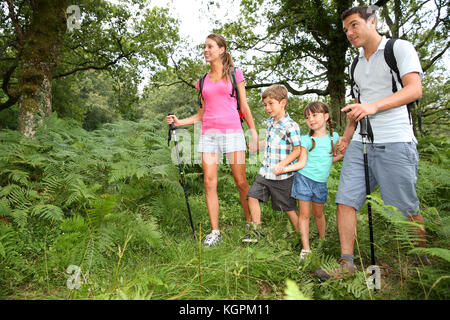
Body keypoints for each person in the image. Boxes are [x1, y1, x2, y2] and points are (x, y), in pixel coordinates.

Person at [315, 6, 427, 280]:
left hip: (396, 142)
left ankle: (422, 264)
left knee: (404, 208)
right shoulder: (355, 64)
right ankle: (347, 264)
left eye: (354, 25)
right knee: (345, 201)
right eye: (346, 30)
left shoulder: (398, 49)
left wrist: (374, 106)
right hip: (361, 145)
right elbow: (357, 107)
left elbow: (414, 90)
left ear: (372, 22)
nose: (350, 33)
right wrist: (345, 137)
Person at [166, 34, 259, 247]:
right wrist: (179, 122)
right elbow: (201, 114)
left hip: (233, 132)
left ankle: (250, 224)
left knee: (241, 181)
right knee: (209, 182)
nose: (206, 50)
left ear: (222, 49)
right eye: (204, 47)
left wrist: (253, 132)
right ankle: (215, 231)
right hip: (208, 134)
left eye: (210, 46)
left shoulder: (236, 75)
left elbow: (244, 106)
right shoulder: (201, 82)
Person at [276, 102, 343, 260]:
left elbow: (331, 158)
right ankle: (306, 249)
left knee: (319, 214)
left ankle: (321, 240)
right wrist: (284, 168)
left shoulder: (334, 137)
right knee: (304, 215)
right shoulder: (305, 140)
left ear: (326, 117)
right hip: (304, 179)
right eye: (307, 117)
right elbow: (302, 163)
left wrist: (342, 155)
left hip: (320, 183)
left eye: (315, 115)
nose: (311, 119)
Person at [242, 84, 301, 243]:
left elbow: (297, 150)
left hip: (282, 176)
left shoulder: (291, 126)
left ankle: (302, 238)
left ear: (283, 103)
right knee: (252, 196)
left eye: (271, 103)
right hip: (265, 172)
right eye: (265, 105)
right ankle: (256, 231)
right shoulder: (270, 123)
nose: (267, 108)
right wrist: (257, 145)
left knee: (288, 208)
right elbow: (269, 141)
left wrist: (283, 164)